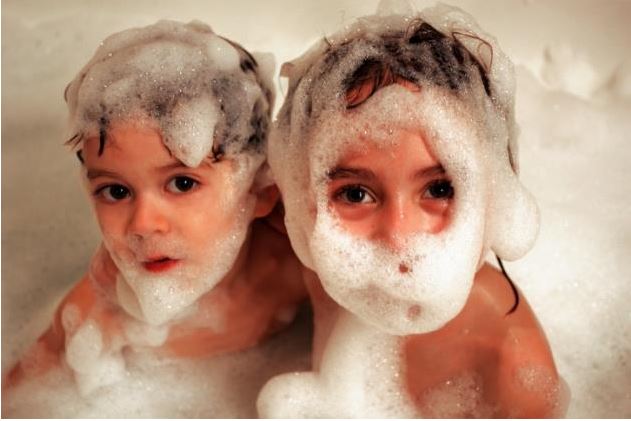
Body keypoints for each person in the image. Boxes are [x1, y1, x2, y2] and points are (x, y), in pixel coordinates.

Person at [257, 5, 567, 418]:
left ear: (493, 193)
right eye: (355, 194)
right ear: (300, 192)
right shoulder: (309, 245)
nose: (398, 237)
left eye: (439, 188)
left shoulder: (514, 369)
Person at [4, 20, 306, 398]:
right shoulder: (96, 313)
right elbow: (17, 395)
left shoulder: (297, 265)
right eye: (115, 190)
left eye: (182, 183)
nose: (143, 224)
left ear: (262, 190)